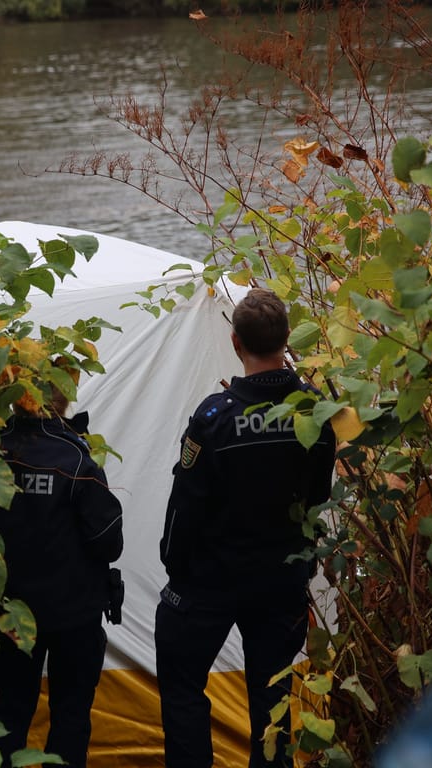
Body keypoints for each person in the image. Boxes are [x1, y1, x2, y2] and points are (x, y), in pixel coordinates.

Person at [156, 288, 337, 768]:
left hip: (210, 580)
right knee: (272, 700)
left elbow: (184, 506)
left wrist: (175, 569)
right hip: (281, 579)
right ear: (286, 342)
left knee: (181, 687)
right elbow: (319, 494)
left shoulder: (214, 417)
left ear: (236, 343)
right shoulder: (313, 412)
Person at [0, 378, 123, 767]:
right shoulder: (76, 459)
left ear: (14, 401)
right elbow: (108, 541)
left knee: (8, 713)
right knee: (70, 716)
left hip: (12, 610)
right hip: (73, 613)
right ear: (62, 402)